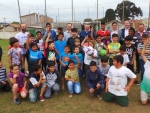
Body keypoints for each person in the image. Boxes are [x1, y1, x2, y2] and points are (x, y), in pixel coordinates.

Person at [140, 40, 150, 105]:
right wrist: (145, 45)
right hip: (144, 87)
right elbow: (142, 54)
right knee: (143, 103)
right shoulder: (148, 63)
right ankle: (145, 94)